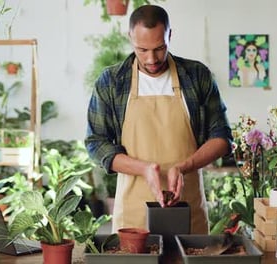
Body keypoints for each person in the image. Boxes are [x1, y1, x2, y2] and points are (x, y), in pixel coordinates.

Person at [85, 5, 233, 234]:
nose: (151, 58)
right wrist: (143, 169)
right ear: (130, 37)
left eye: (159, 48)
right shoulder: (112, 82)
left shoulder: (196, 76)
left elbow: (222, 138)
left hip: (187, 213)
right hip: (133, 219)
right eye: (142, 49)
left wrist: (184, 167)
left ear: (170, 36)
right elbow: (96, 143)